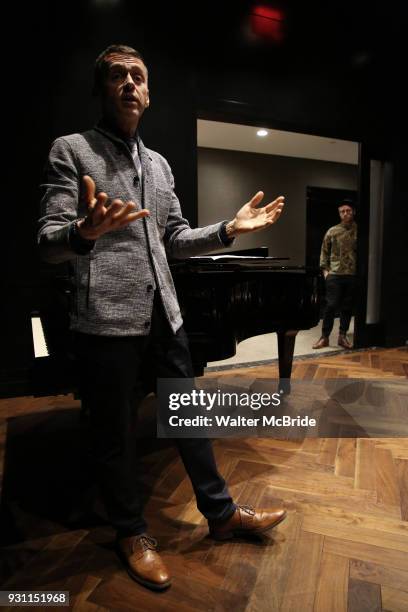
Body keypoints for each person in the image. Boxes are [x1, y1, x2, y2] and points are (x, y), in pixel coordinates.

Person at [38, 44, 286, 591]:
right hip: (105, 319)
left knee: (190, 418)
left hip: (165, 313)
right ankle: (131, 533)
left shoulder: (159, 164)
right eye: (118, 76)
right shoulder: (72, 151)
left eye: (138, 76)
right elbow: (47, 242)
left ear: (148, 93)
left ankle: (220, 516)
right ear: (103, 89)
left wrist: (227, 231)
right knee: (113, 435)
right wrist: (82, 233)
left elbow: (173, 237)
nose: (129, 83)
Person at [313, 200, 357, 350]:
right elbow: (324, 252)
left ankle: (342, 337)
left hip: (351, 274)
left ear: (353, 212)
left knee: (347, 307)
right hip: (335, 275)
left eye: (348, 210)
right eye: (342, 211)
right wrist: (325, 272)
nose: (345, 213)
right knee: (331, 306)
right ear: (339, 214)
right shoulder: (332, 231)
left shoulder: (359, 230)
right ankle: (324, 337)